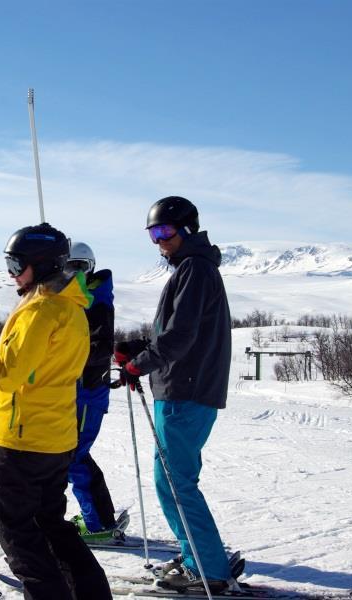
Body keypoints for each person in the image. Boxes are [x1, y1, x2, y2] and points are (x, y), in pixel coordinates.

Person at [0, 223, 112, 600]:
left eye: (14, 263)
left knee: (22, 541)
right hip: (54, 440)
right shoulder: (72, 308)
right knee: (51, 527)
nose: (10, 273)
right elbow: (38, 372)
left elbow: (7, 374)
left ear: (38, 265)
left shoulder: (40, 310)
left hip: (21, 444)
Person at [114, 196, 233, 594]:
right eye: (152, 234)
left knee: (176, 482)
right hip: (185, 388)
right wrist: (138, 348)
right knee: (174, 479)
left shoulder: (195, 270)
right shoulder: (191, 269)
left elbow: (180, 336)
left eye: (164, 232)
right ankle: (197, 556)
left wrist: (138, 365)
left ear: (186, 229)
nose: (158, 242)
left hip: (185, 390)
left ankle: (209, 570)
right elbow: (176, 330)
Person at [65, 242, 119, 539]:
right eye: (68, 267)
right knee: (74, 456)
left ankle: (97, 523)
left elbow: (100, 349)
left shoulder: (96, 300)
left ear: (91, 267)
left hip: (87, 391)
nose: (74, 274)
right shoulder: (76, 299)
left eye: (80, 267)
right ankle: (100, 517)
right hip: (75, 392)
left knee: (74, 456)